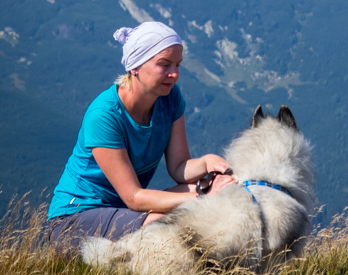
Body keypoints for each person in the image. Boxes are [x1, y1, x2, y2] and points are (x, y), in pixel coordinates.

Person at [47, 21, 236, 254]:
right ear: (135, 66)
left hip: (125, 212)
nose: (174, 74)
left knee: (217, 190)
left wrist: (207, 163)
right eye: (164, 65)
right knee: (176, 218)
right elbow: (134, 198)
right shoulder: (103, 116)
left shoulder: (170, 97)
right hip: (74, 221)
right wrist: (201, 197)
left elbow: (178, 168)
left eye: (178, 65)